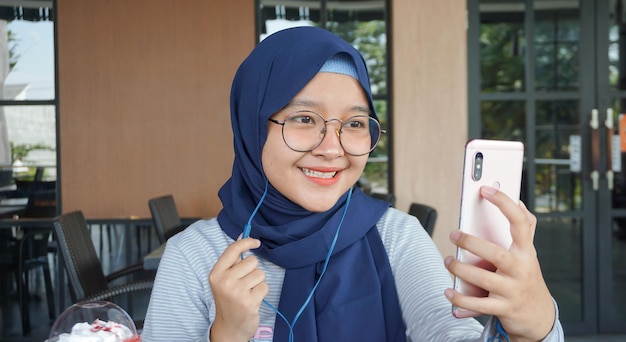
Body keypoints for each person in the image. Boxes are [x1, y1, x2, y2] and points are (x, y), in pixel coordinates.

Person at [141, 26, 564, 342]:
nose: (333, 148)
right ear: (252, 127)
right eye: (304, 119)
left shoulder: (396, 238)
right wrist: (227, 335)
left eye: (355, 124)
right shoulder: (194, 259)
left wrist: (537, 323)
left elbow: (449, 332)